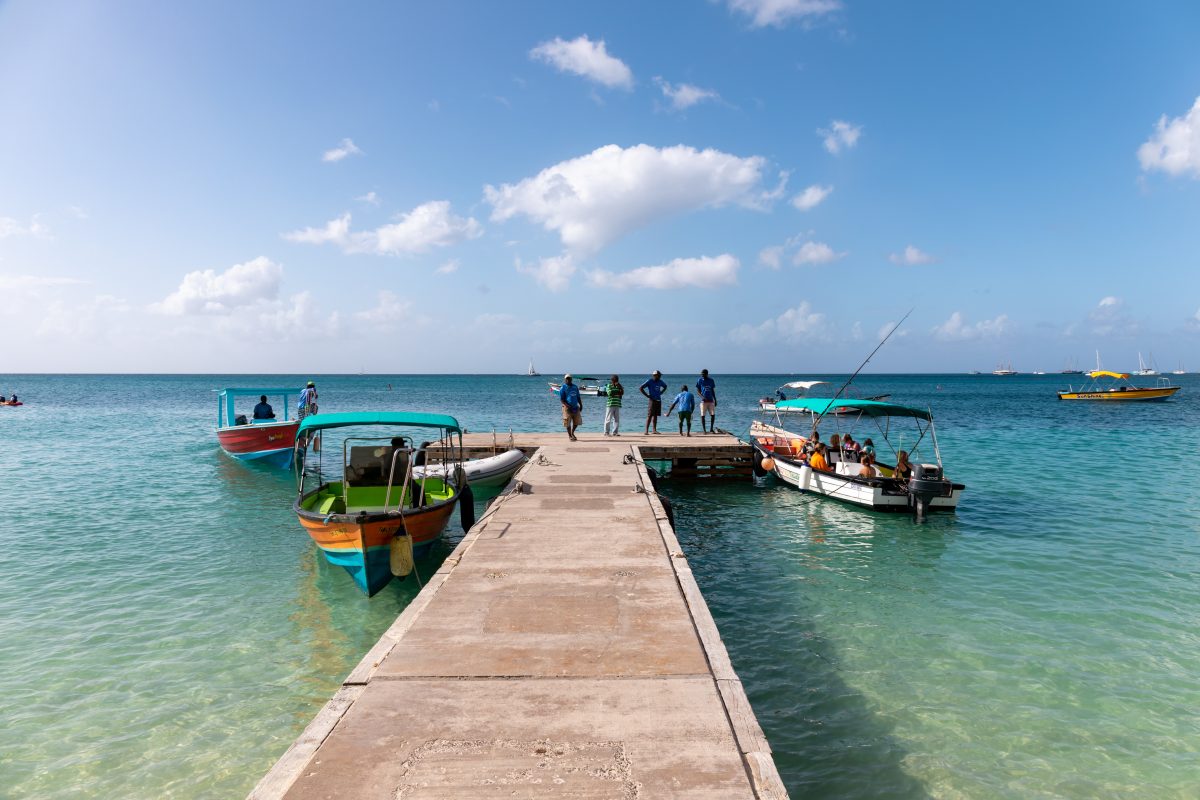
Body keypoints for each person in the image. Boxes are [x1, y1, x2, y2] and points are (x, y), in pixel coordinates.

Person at [639, 370, 669, 435]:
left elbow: (665, 386)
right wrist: (647, 395)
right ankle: (646, 431)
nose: (660, 376)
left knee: (655, 416)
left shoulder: (660, 382)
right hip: (652, 400)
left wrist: (661, 392)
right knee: (650, 415)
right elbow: (641, 388)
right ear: (655, 375)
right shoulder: (650, 381)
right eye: (659, 375)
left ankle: (654, 430)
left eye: (660, 375)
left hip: (658, 400)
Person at [558, 374, 582, 441]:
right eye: (567, 379)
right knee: (567, 422)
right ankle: (570, 436)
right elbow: (562, 399)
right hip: (567, 408)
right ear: (565, 379)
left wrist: (581, 405)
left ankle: (572, 432)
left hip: (575, 407)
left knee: (577, 421)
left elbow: (578, 397)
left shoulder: (575, 387)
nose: (568, 380)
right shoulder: (563, 388)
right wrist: (568, 406)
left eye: (569, 378)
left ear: (571, 379)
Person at [696, 369, 718, 433]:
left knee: (713, 415)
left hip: (711, 401)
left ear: (707, 374)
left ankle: (711, 429)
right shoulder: (699, 380)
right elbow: (698, 391)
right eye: (701, 374)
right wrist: (702, 396)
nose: (702, 375)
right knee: (703, 415)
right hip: (703, 401)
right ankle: (704, 430)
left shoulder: (711, 380)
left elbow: (712, 391)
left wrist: (715, 399)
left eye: (703, 374)